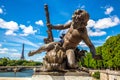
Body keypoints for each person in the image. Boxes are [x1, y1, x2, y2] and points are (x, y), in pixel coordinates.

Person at [29, 9, 102, 68]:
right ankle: (34, 52)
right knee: (46, 46)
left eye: (76, 23)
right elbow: (63, 26)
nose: (74, 24)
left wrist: (94, 54)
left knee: (71, 64)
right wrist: (53, 27)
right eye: (73, 21)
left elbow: (90, 45)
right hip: (61, 42)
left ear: (83, 23)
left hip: (69, 49)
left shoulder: (83, 33)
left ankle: (78, 66)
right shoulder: (72, 23)